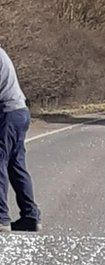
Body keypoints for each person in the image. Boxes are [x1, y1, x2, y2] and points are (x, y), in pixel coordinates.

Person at [0, 46, 40, 232]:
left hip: (7, 113)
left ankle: (1, 218)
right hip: (19, 111)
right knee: (16, 165)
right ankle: (31, 216)